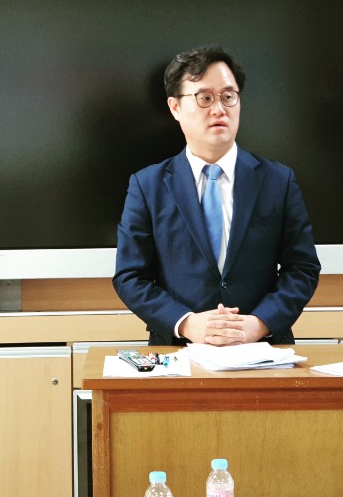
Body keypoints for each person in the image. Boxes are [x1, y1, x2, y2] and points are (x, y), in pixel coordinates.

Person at [113, 45, 321, 346]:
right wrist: (186, 323)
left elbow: (302, 268)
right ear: (175, 107)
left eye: (228, 96)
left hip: (262, 350)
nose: (219, 109)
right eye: (205, 98)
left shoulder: (278, 180)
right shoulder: (147, 186)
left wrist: (260, 323)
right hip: (179, 352)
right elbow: (130, 276)